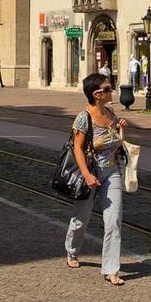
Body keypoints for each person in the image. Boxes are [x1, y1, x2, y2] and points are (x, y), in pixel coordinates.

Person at [65, 73, 127, 286]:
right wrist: (87, 174)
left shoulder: (110, 113)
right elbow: (78, 149)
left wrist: (120, 129)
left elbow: (115, 141)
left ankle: (111, 269)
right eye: (108, 89)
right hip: (90, 172)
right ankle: (72, 250)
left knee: (114, 221)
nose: (112, 91)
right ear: (97, 94)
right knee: (81, 218)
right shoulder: (84, 117)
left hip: (111, 172)